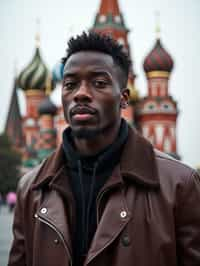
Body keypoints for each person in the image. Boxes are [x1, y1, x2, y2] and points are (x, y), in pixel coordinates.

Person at [8, 32, 200, 266]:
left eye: (99, 83)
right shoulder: (31, 188)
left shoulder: (178, 184)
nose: (81, 93)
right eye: (70, 84)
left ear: (124, 98)